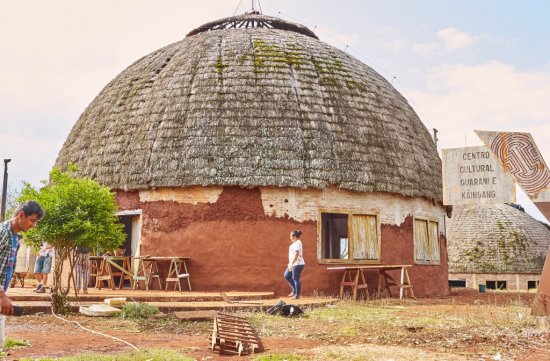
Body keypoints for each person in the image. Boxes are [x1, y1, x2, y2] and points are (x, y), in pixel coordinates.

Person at [0, 201, 44, 315]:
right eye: (32, 220)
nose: (34, 225)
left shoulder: (15, 239)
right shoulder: (3, 233)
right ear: (21, 215)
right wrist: (1, 295)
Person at [284, 230, 305, 299]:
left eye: (291, 236)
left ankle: (297, 296)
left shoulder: (297, 243)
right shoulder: (295, 243)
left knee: (296, 279)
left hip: (298, 264)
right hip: (293, 264)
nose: (290, 237)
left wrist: (291, 263)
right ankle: (294, 290)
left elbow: (296, 254)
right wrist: (290, 263)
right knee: (287, 275)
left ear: (295, 237)